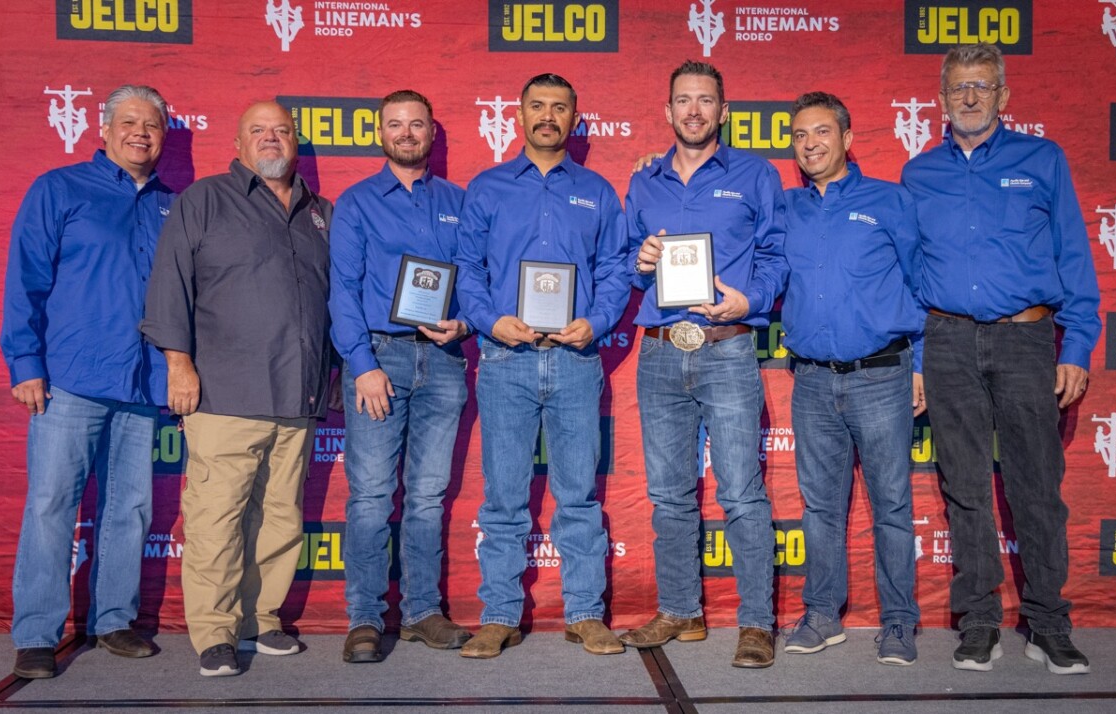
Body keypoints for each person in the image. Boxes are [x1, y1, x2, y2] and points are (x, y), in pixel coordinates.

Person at [901, 43, 1100, 675]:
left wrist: (1076, 344)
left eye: (981, 87)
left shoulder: (1042, 160)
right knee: (964, 488)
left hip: (1026, 340)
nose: (968, 97)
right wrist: (917, 359)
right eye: (958, 87)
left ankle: (1048, 623)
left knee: (1036, 485)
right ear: (942, 96)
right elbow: (908, 275)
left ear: (1003, 96)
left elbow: (1075, 259)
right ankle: (979, 622)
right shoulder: (918, 174)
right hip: (949, 340)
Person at [141, 101, 333, 677]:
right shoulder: (203, 200)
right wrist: (179, 364)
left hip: (297, 396)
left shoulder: (320, 212)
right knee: (216, 518)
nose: (271, 139)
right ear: (239, 141)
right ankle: (215, 633)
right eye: (259, 130)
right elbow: (169, 286)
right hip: (225, 391)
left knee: (280, 517)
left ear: (295, 142)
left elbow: (335, 300)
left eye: (281, 131)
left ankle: (262, 620)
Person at [0, 84, 173, 679]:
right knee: (52, 505)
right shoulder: (59, 188)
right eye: (128, 122)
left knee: (129, 507)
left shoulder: (170, 205)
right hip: (69, 379)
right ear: (102, 129)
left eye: (151, 125)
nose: (140, 133)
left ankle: (114, 620)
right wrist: (25, 364)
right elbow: (25, 279)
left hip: (142, 382)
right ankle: (37, 634)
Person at [454, 73, 629, 659]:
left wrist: (598, 322)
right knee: (504, 496)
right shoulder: (487, 188)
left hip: (578, 359)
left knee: (578, 495)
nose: (547, 116)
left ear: (575, 118)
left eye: (559, 108)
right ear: (519, 115)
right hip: (506, 359)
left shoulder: (599, 192)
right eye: (537, 106)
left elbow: (614, 270)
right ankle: (499, 614)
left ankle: (585, 613)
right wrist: (489, 320)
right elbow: (467, 269)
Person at [619, 60, 787, 669]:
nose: (693, 110)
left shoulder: (755, 174)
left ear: (723, 110)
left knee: (741, 492)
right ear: (667, 111)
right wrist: (637, 260)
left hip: (728, 348)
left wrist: (752, 298)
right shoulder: (644, 180)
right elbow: (620, 259)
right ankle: (681, 610)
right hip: (661, 353)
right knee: (669, 495)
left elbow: (776, 254)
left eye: (705, 100)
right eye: (682, 100)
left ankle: (756, 623)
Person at [781, 91, 924, 666]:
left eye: (821, 132)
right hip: (812, 381)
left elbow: (921, 286)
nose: (810, 144)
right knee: (820, 508)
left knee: (891, 504)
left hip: (881, 376)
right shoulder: (784, 207)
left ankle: (899, 623)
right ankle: (821, 615)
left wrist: (919, 366)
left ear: (847, 138)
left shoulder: (890, 201)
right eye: (799, 136)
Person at [329, 90, 471, 663]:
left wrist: (463, 323)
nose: (407, 133)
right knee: (369, 495)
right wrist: (361, 366)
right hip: (379, 358)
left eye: (417, 124)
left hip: (443, 360)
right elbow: (341, 288)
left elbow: (478, 281)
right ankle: (365, 618)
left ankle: (421, 612)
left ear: (433, 133)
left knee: (429, 495)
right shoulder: (357, 202)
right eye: (396, 124)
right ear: (380, 133)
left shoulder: (461, 201)